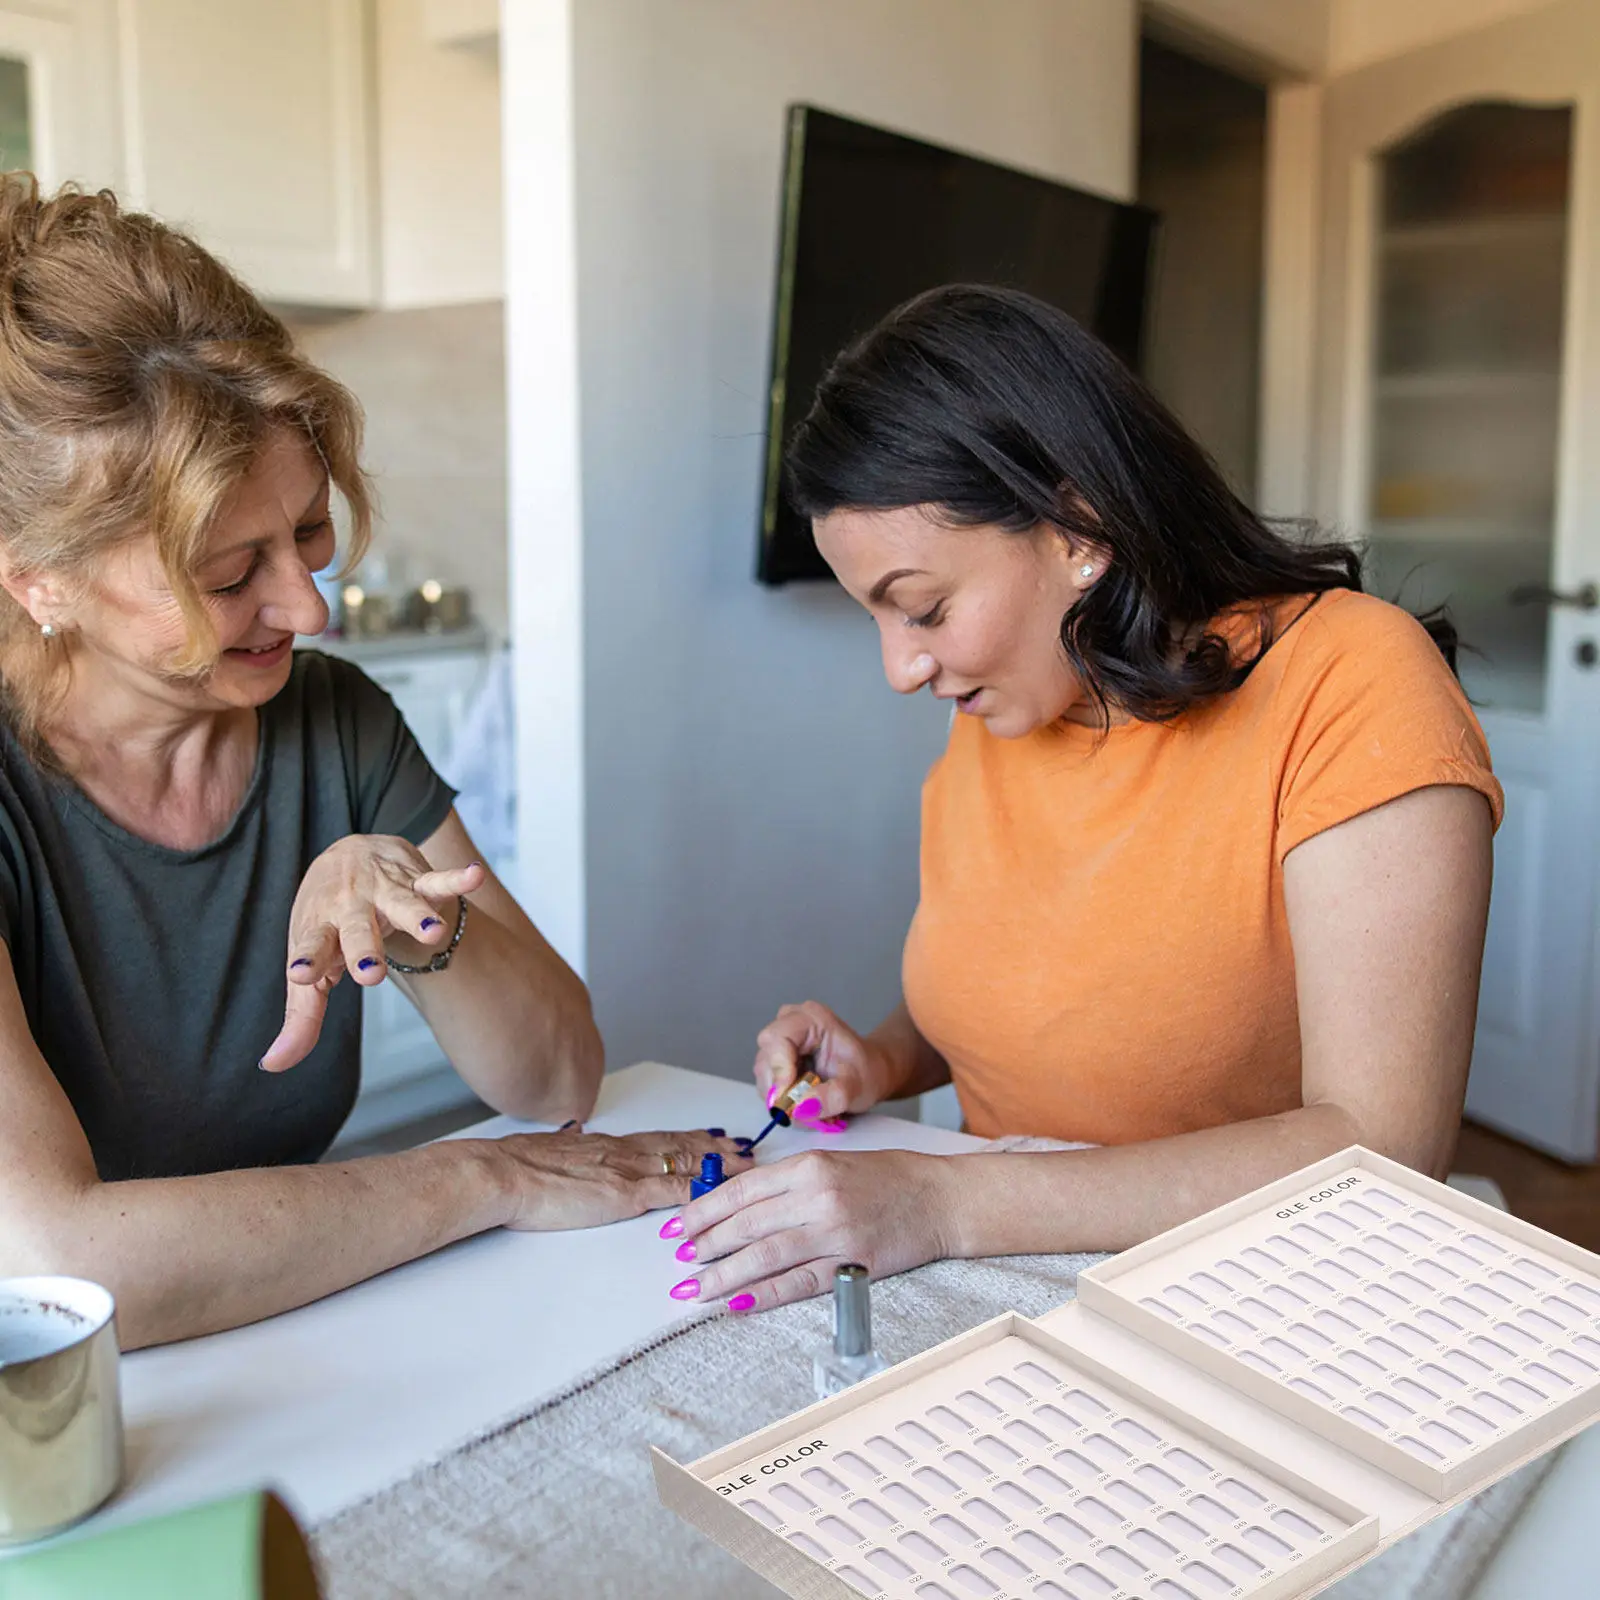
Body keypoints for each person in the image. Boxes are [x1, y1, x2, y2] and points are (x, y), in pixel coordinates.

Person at [0, 175, 744, 1350]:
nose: (306, 604)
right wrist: (479, 1182)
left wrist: (417, 919)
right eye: (229, 571)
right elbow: (61, 1267)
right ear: (38, 579)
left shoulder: (329, 717)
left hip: (269, 1341)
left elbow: (555, 1082)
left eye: (306, 533)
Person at [669, 285, 1500, 1313]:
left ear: (1078, 528)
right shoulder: (1007, 711)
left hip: (1259, 1299)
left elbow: (1381, 1145)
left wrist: (944, 1202)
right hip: (1000, 1290)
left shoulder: (1351, 679)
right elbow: (1051, 1001)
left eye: (922, 608)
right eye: (874, 622)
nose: (899, 668)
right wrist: (883, 1054)